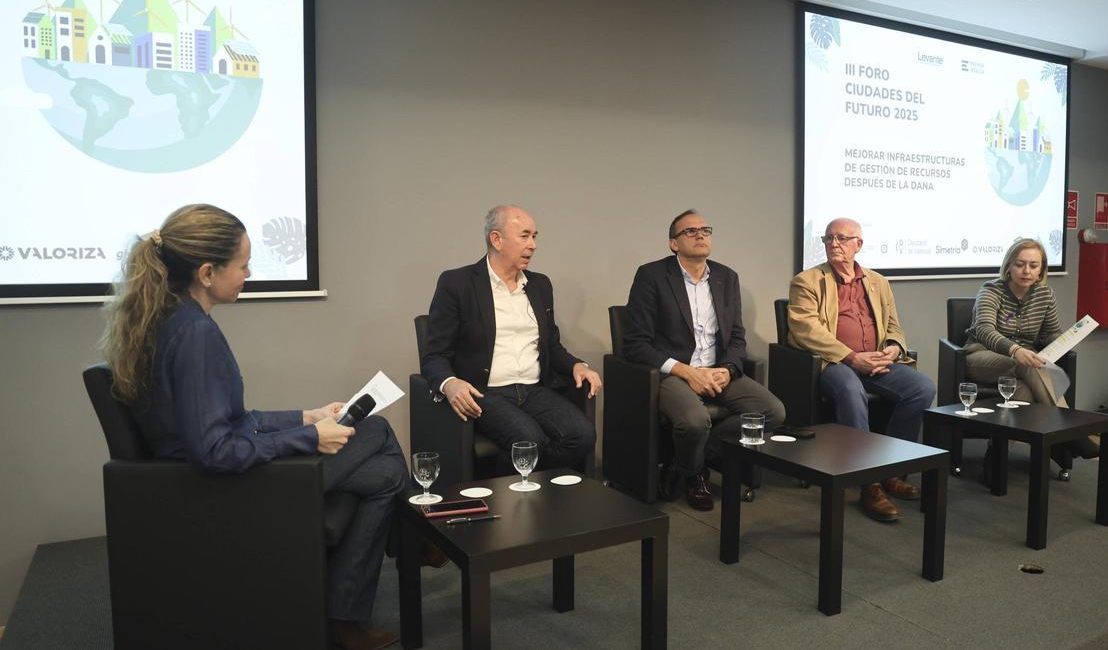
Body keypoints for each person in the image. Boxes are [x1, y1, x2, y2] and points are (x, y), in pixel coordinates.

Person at [100, 204, 404, 650]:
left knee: (387, 476)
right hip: (221, 492)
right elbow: (214, 451)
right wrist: (309, 439)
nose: (249, 273)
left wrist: (308, 416)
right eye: (242, 265)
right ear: (207, 272)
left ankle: (351, 611)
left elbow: (229, 420)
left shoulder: (169, 319)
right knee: (375, 434)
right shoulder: (196, 336)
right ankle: (397, 558)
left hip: (200, 478)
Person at [622, 210, 785, 511]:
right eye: (691, 231)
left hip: (718, 371)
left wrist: (728, 369)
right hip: (674, 374)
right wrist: (685, 371)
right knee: (695, 421)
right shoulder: (652, 276)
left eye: (705, 230)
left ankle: (689, 459)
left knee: (772, 412)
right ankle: (696, 474)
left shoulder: (726, 277)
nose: (700, 235)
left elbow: (737, 336)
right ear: (673, 243)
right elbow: (635, 344)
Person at [420, 205, 600, 475]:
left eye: (535, 236)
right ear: (496, 239)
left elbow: (551, 345)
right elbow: (434, 355)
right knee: (530, 441)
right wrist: (450, 383)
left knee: (583, 435)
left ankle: (523, 487)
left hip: (533, 390)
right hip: (486, 393)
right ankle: (502, 496)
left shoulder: (540, 285)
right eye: (525, 236)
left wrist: (578, 365)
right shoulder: (458, 283)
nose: (533, 245)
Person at [788, 217, 936, 522]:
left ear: (859, 244)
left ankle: (892, 469)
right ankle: (868, 482)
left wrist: (893, 348)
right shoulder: (807, 281)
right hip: (834, 362)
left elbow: (894, 325)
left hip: (876, 360)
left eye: (842, 238)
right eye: (828, 239)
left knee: (923, 388)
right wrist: (851, 357)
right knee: (851, 390)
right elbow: (805, 330)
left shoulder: (877, 282)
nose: (834, 244)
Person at [964, 238, 1097, 480]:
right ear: (1009, 267)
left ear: (1042, 270)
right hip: (982, 357)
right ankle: (1071, 432)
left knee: (1022, 391)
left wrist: (1063, 341)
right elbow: (984, 329)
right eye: (1020, 264)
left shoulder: (1045, 294)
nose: (1027, 271)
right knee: (1025, 363)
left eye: (1034, 266)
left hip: (1024, 365)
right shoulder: (991, 290)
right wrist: (1015, 350)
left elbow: (1050, 334)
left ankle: (997, 451)